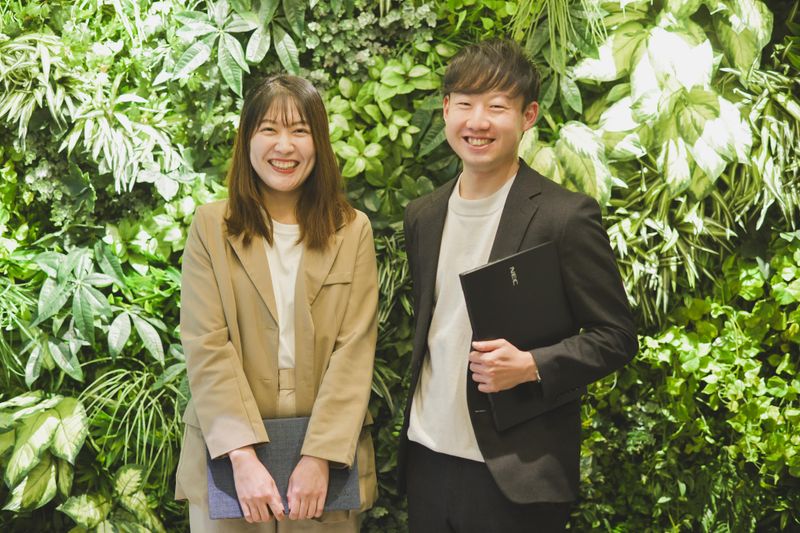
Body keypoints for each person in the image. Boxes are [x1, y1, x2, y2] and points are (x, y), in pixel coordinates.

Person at [398, 39, 638, 533]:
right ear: (446, 110)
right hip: (427, 458)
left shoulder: (564, 217)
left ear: (528, 116)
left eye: (497, 107)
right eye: (465, 104)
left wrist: (532, 366)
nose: (477, 121)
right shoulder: (423, 215)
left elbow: (616, 336)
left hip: (514, 473)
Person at [174, 74, 378, 533]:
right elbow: (206, 344)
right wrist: (242, 457)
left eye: (299, 131)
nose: (284, 146)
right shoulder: (211, 227)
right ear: (247, 138)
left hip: (326, 463)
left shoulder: (352, 229)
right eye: (269, 129)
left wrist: (319, 455)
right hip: (228, 457)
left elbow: (354, 349)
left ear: (318, 142)